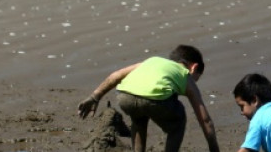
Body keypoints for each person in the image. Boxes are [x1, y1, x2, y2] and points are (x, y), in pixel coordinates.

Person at [78, 45, 219, 152]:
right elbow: (205, 120)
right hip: (155, 100)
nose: (195, 82)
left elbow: (115, 76)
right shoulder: (184, 74)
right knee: (178, 121)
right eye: (197, 78)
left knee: (138, 119)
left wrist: (94, 97)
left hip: (125, 96)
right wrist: (214, 149)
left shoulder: (151, 61)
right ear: (194, 67)